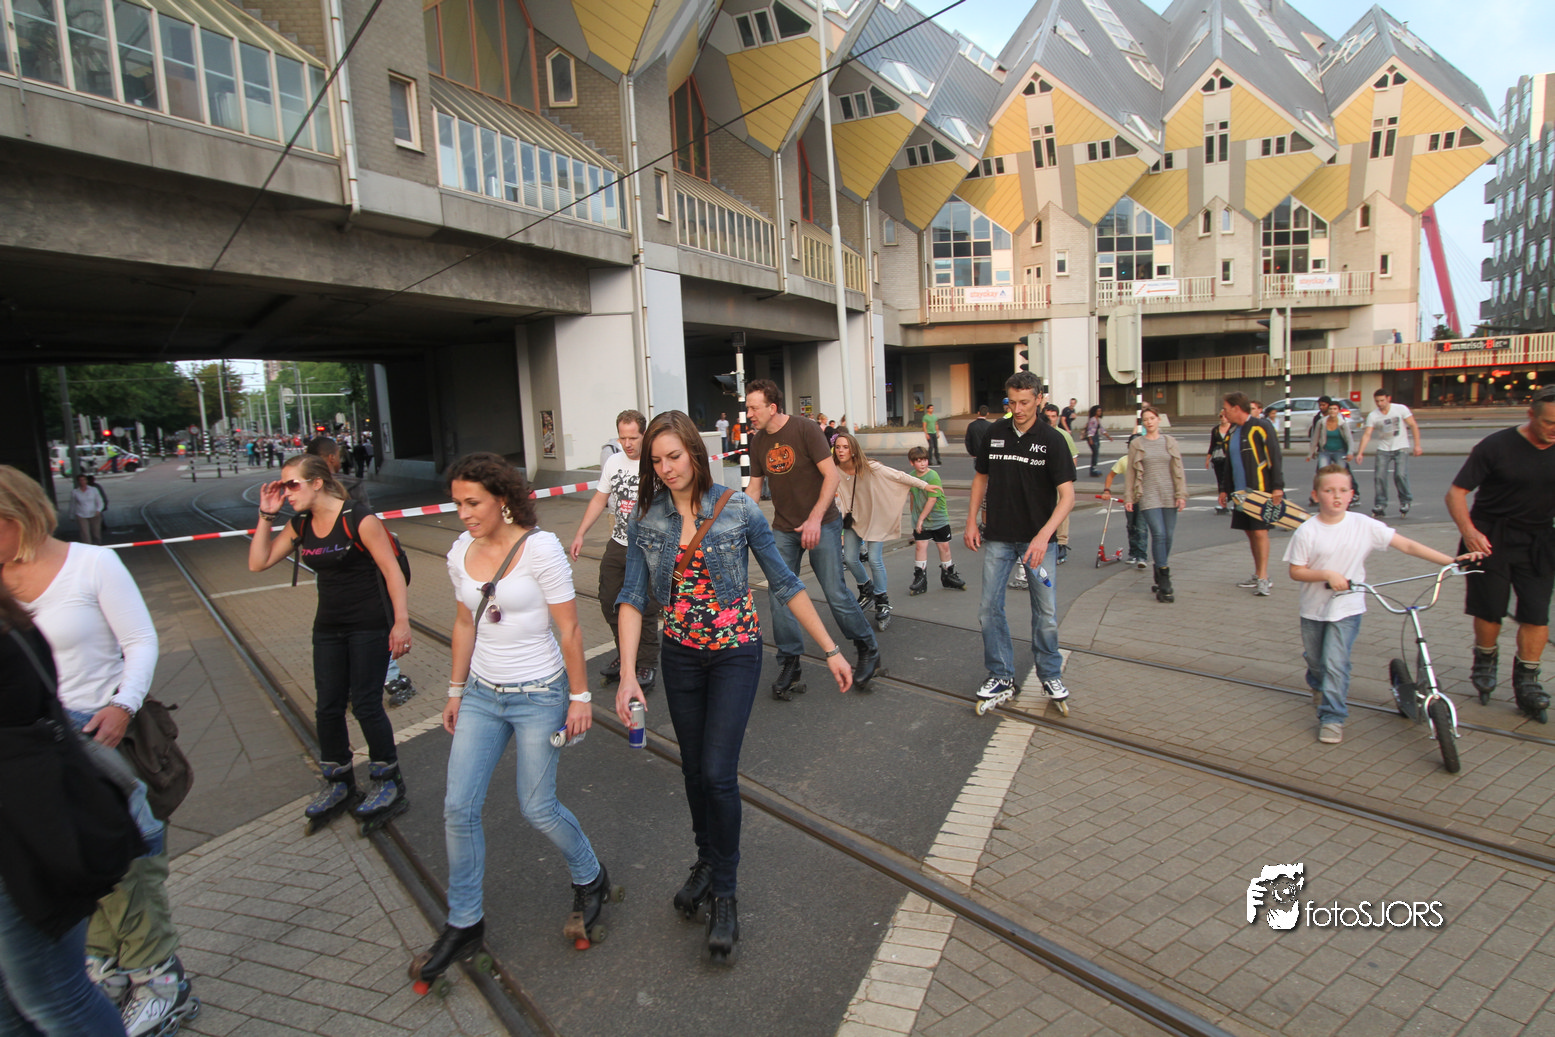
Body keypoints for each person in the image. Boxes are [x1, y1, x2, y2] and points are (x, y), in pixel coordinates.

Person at [613, 411, 851, 961]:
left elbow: (785, 583)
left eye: (674, 456)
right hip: (680, 657)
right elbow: (632, 597)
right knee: (693, 770)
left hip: (735, 654)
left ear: (695, 453)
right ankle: (705, 859)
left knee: (718, 773)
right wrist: (627, 674)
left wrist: (830, 649)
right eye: (656, 460)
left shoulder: (738, 508)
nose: (666, 468)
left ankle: (725, 890)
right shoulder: (647, 519)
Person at [0, 466, 193, 1035]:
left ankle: (160, 980)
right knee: (72, 876)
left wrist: (122, 706)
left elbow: (140, 640)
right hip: (37, 757)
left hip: (106, 740)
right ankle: (106, 967)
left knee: (130, 870)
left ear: (17, 516)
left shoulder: (91, 564)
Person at [411, 454, 611, 983]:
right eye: (457, 503)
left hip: (539, 695)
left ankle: (591, 876)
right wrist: (455, 691)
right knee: (458, 807)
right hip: (482, 694)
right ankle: (464, 922)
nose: (463, 513)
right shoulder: (460, 551)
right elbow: (463, 624)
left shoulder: (540, 549)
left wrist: (580, 697)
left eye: (472, 502)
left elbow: (570, 630)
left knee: (536, 807)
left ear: (502, 499)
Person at [247, 455, 411, 833]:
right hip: (328, 628)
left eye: (293, 484)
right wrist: (266, 516)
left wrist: (401, 623)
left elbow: (391, 571)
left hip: (369, 624)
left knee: (366, 704)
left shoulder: (359, 519)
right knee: (327, 707)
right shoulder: (300, 524)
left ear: (317, 483)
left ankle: (388, 779)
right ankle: (339, 781)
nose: (287, 493)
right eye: (283, 486)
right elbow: (258, 562)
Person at [0, 581, 129, 1037]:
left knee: (54, 998)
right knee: (17, 1008)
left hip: (24, 843)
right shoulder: (12, 619)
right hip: (29, 829)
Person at [1288, 465, 1478, 744]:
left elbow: (1407, 545)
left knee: (1335, 662)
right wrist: (1327, 574)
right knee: (1318, 662)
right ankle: (1318, 684)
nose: (1336, 496)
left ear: (1352, 494)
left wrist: (1451, 561)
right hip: (1314, 609)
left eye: (1343, 490)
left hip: (1348, 607)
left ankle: (1332, 717)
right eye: (1329, 490)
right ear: (1316, 495)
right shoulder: (1307, 531)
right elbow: (1296, 571)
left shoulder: (1363, 525)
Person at [745, 379, 880, 698]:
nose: (749, 413)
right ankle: (790, 662)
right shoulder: (758, 441)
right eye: (747, 408)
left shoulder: (805, 429)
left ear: (772, 407)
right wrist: (736, 519)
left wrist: (815, 519)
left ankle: (866, 647)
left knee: (835, 592)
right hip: (784, 528)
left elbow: (831, 476)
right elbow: (754, 487)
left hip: (824, 524)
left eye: (753, 407)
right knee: (780, 595)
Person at [965, 371, 1076, 708]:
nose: (1018, 409)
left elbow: (1068, 497)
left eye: (1025, 402)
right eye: (1012, 403)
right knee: (988, 609)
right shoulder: (995, 432)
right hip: (999, 536)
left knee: (1045, 612)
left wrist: (1044, 535)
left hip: (1037, 542)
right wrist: (971, 521)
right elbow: (980, 478)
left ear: (1039, 399)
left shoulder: (1053, 439)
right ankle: (1001, 674)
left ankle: (1050, 674)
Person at [1445, 387, 1555, 720]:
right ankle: (1485, 657)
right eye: (1549, 422)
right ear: (1531, 415)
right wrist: (1469, 532)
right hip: (1489, 538)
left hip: (1538, 540)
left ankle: (1528, 680)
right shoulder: (1495, 446)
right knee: (1490, 609)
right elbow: (1456, 493)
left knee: (1536, 613)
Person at [306, 437, 417, 709]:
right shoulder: (350, 487)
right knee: (372, 622)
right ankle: (388, 677)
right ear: (332, 458)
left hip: (331, 575)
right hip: (363, 573)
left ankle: (357, 680)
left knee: (354, 627)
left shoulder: (308, 493)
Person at [569, 410, 658, 692]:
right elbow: (599, 498)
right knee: (609, 600)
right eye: (622, 438)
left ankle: (646, 662)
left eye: (633, 438)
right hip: (619, 543)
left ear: (644, 435)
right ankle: (625, 654)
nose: (627, 444)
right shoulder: (613, 462)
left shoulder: (656, 462)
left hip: (648, 546)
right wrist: (581, 533)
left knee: (645, 607)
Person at [832, 431, 938, 631]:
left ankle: (882, 600)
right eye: (838, 447)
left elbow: (898, 476)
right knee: (850, 558)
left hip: (875, 518)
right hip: (852, 519)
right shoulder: (833, 469)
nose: (841, 451)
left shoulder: (869, 466)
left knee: (874, 559)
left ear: (853, 450)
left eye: (845, 447)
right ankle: (866, 589)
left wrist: (924, 486)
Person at [1215, 392, 1284, 597]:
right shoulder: (1232, 432)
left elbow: (1274, 457)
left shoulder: (1261, 427)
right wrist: (1224, 489)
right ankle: (1257, 572)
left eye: (1226, 408)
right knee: (1250, 532)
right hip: (1240, 494)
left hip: (1259, 491)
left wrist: (1277, 487)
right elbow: (1229, 464)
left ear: (1236, 408)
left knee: (1260, 532)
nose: (1224, 412)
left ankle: (1263, 577)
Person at [1125, 407, 1188, 603]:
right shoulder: (1137, 444)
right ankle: (1165, 576)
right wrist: (1129, 497)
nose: (1149, 422)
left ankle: (1159, 569)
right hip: (1148, 494)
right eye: (1145, 419)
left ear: (1159, 420)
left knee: (1168, 535)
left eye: (1152, 418)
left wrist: (1181, 494)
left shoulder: (1170, 442)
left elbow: (1178, 469)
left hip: (1169, 493)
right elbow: (1131, 473)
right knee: (1158, 534)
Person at [905, 446, 965, 594]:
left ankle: (948, 575)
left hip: (938, 518)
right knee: (920, 546)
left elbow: (932, 500)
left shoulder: (933, 476)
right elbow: (912, 496)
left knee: (944, 547)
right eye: (918, 461)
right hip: (921, 519)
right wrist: (914, 516)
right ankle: (920, 578)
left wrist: (920, 519)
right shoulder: (911, 477)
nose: (923, 463)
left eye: (925, 460)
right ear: (912, 462)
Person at [1355, 389, 1422, 518]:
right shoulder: (1373, 415)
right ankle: (1380, 504)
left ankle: (1405, 501)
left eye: (1382, 400)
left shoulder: (1400, 409)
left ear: (1388, 399)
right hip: (1383, 448)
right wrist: (1360, 453)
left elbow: (1413, 425)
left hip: (1401, 447)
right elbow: (1367, 434)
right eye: (1377, 401)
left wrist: (1417, 445)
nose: (1380, 404)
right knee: (1379, 476)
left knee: (1400, 475)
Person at [1305, 398, 1358, 507]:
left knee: (1342, 474)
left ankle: (1349, 496)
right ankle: (1320, 496)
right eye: (1331, 409)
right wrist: (1311, 453)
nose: (1332, 411)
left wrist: (1350, 452)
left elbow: (1349, 439)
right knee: (1322, 473)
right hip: (1325, 451)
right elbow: (1315, 438)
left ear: (1338, 411)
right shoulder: (1321, 422)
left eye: (1335, 409)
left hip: (1340, 451)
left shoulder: (1342, 423)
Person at [1102, 444, 1148, 568]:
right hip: (1129, 499)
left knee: (1141, 527)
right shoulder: (1124, 460)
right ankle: (1133, 554)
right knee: (1131, 526)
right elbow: (1111, 475)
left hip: (1144, 498)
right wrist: (1107, 490)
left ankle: (1142, 556)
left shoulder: (1146, 459)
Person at [1206, 410, 1232, 515]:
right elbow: (1212, 444)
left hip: (1229, 457)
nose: (1223, 418)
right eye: (1221, 416)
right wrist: (1208, 458)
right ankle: (1223, 504)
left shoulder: (1233, 428)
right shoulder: (1215, 430)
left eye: (1225, 416)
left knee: (1231, 479)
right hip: (1218, 457)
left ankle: (1234, 501)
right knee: (1220, 479)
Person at [70, 473, 107, 546]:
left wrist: (99, 510)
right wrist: (71, 515)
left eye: (83, 480)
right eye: (80, 480)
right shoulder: (75, 492)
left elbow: (100, 501)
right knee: (85, 533)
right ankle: (88, 547)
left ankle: (97, 545)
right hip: (81, 514)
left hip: (94, 514)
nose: (82, 482)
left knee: (96, 533)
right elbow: (72, 504)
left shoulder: (93, 490)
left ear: (86, 481)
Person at [1083, 406, 1112, 477]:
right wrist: (1090, 439)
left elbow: (1102, 429)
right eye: (1098, 411)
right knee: (1095, 453)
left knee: (1096, 453)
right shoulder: (1093, 419)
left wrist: (1108, 436)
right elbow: (1090, 430)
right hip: (1092, 438)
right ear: (1095, 412)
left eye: (1100, 411)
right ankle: (1093, 469)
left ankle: (1094, 468)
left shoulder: (1097, 419)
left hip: (1096, 437)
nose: (1100, 412)